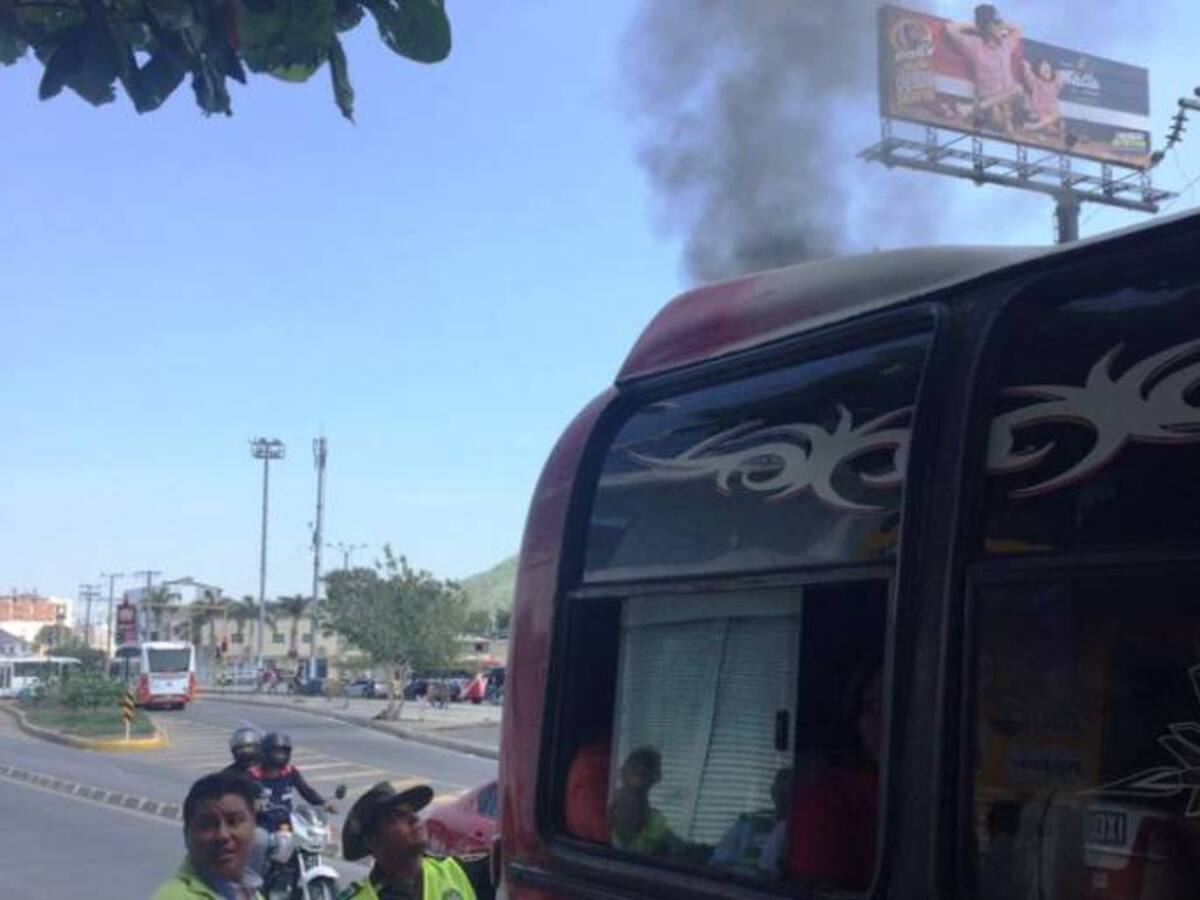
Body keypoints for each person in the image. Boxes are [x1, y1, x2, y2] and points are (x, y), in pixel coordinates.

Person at [787, 665, 882, 891]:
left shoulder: (945, 796)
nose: (881, 719)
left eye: (896, 703)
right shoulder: (829, 798)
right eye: (870, 705)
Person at [339, 780, 479, 900]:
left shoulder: (451, 870)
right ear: (372, 840)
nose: (414, 818)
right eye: (398, 817)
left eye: (412, 811)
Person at [152, 771, 264, 900]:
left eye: (233, 822)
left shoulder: (249, 890)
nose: (223, 835)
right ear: (187, 835)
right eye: (207, 826)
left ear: (254, 824)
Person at [943, 5, 1024, 134]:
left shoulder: (1006, 44)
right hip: (989, 97)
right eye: (996, 26)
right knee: (999, 116)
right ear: (986, 28)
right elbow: (950, 28)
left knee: (1018, 90)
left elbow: (1017, 29)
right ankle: (997, 115)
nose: (1002, 31)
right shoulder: (974, 45)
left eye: (1000, 26)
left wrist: (999, 25)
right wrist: (979, 26)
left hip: (1009, 96)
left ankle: (971, 109)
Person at [711, 768, 794, 877]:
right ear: (772, 791)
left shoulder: (802, 832)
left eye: (788, 791)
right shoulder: (747, 824)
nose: (782, 796)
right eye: (779, 789)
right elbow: (719, 863)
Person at [247, 732, 336, 833]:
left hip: (286, 821)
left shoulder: (290, 771)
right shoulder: (253, 775)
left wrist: (323, 803)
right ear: (265, 752)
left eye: (283, 752)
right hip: (261, 822)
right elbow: (242, 799)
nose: (280, 755)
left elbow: (305, 790)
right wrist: (255, 806)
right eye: (276, 752)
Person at [608, 746, 685, 856]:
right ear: (623, 772)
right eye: (636, 764)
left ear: (657, 777)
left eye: (649, 766)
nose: (641, 769)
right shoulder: (601, 804)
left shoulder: (657, 824)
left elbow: (680, 848)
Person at [1020, 57, 1066, 141]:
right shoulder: (1035, 82)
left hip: (1050, 115)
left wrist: (1053, 71)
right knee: (1055, 118)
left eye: (1048, 69)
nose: (1045, 71)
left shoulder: (1055, 84)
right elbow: (1028, 73)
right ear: (1038, 71)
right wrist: (1027, 66)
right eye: (1043, 69)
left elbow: (1061, 77)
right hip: (1037, 114)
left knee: (1058, 118)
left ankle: (1035, 128)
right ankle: (1041, 129)